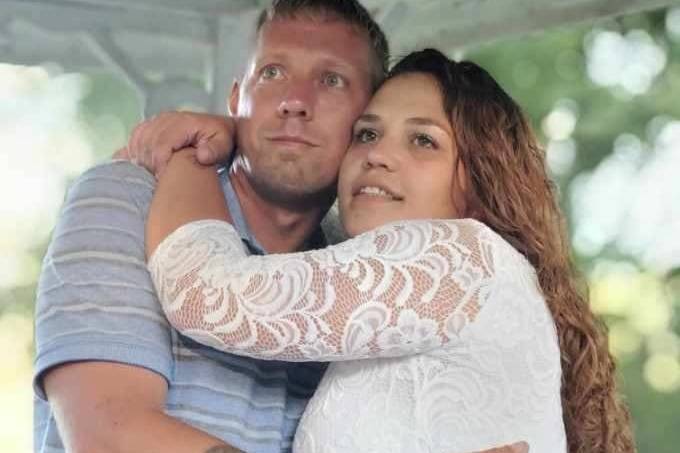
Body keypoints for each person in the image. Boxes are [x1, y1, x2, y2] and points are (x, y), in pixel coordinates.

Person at [33, 1, 525, 452]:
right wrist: (201, 153)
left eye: (332, 80)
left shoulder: (359, 271)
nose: (294, 100)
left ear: (366, 121)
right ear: (236, 99)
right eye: (271, 73)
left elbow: (211, 293)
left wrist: (195, 155)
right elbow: (110, 436)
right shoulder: (128, 197)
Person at [140, 50, 636, 452]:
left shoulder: (454, 257)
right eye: (367, 134)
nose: (377, 154)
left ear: (480, 180)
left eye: (423, 140)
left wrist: (195, 153)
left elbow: (207, 295)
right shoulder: (462, 280)